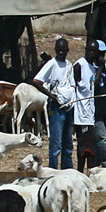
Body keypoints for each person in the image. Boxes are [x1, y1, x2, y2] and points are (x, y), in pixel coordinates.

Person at [32, 38, 75, 169]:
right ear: (56, 50)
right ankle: (53, 170)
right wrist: (51, 96)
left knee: (68, 143)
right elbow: (36, 81)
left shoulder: (69, 65)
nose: (61, 52)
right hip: (56, 107)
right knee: (56, 143)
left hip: (68, 106)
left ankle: (67, 170)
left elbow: (72, 85)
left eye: (64, 50)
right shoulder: (52, 64)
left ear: (67, 51)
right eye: (59, 50)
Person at [73, 40, 102, 172]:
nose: (92, 54)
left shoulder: (93, 67)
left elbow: (93, 85)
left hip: (90, 113)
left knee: (92, 146)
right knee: (83, 145)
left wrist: (100, 68)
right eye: (90, 51)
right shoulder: (79, 65)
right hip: (80, 114)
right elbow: (74, 86)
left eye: (94, 52)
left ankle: (90, 171)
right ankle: (80, 171)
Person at [93, 40, 106, 168]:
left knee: (99, 137)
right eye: (100, 54)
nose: (102, 57)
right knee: (101, 137)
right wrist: (100, 68)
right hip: (94, 108)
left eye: (104, 54)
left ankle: (96, 164)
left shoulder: (104, 69)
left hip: (103, 106)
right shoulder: (91, 68)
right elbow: (93, 86)